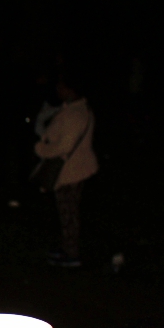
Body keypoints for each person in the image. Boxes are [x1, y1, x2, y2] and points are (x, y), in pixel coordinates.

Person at [34, 69, 98, 268]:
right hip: (76, 167)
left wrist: (41, 148)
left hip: (71, 170)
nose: (58, 90)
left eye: (61, 87)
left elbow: (64, 146)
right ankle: (68, 249)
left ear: (71, 90)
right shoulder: (78, 109)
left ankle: (71, 254)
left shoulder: (74, 114)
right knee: (68, 212)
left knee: (68, 213)